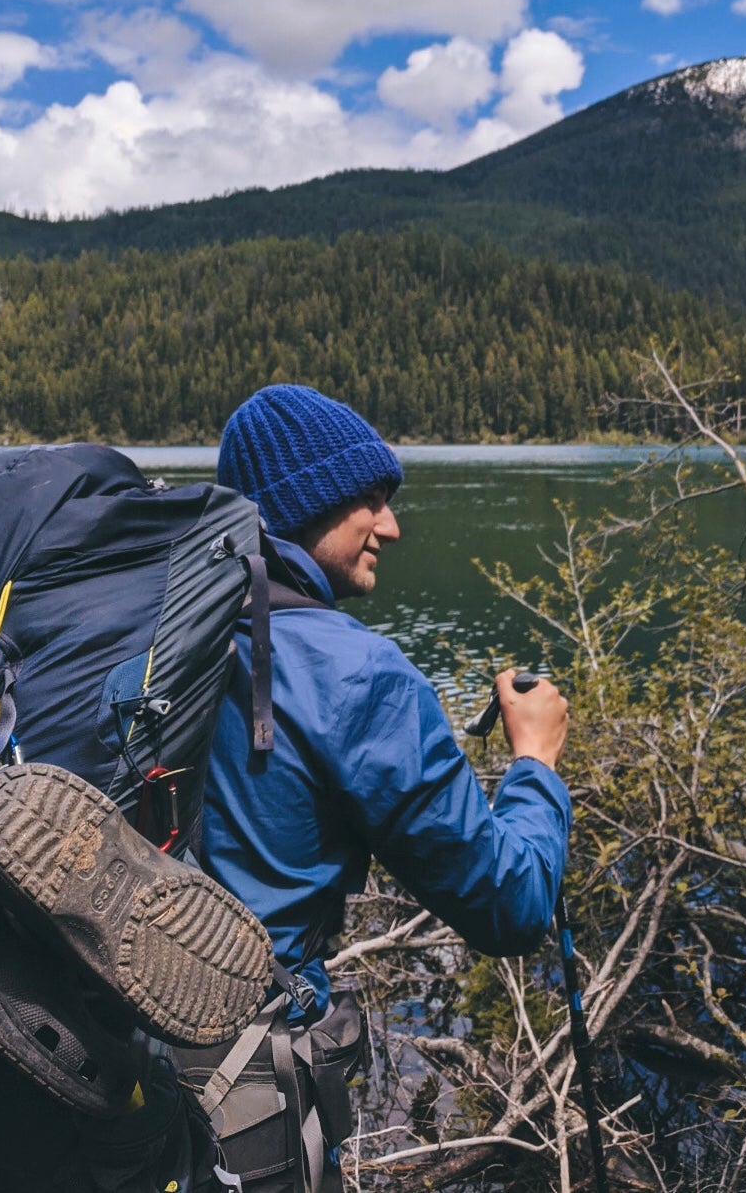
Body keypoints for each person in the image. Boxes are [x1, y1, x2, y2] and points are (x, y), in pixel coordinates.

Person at [198, 384, 572, 1172]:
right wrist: (533, 763)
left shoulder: (174, 640)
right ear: (307, 502)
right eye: (371, 498)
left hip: (132, 1063)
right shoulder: (356, 673)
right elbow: (512, 904)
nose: (392, 526)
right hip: (251, 1090)